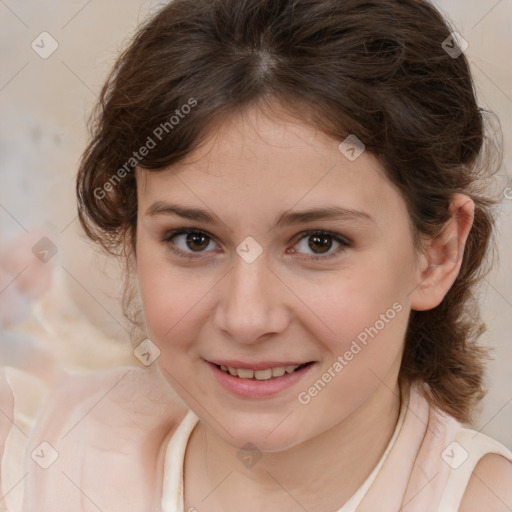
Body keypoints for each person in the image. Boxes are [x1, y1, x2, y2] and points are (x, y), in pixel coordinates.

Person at [1, 0, 512, 510]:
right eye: (194, 239)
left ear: (437, 254)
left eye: (319, 242)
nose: (247, 318)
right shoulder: (38, 460)